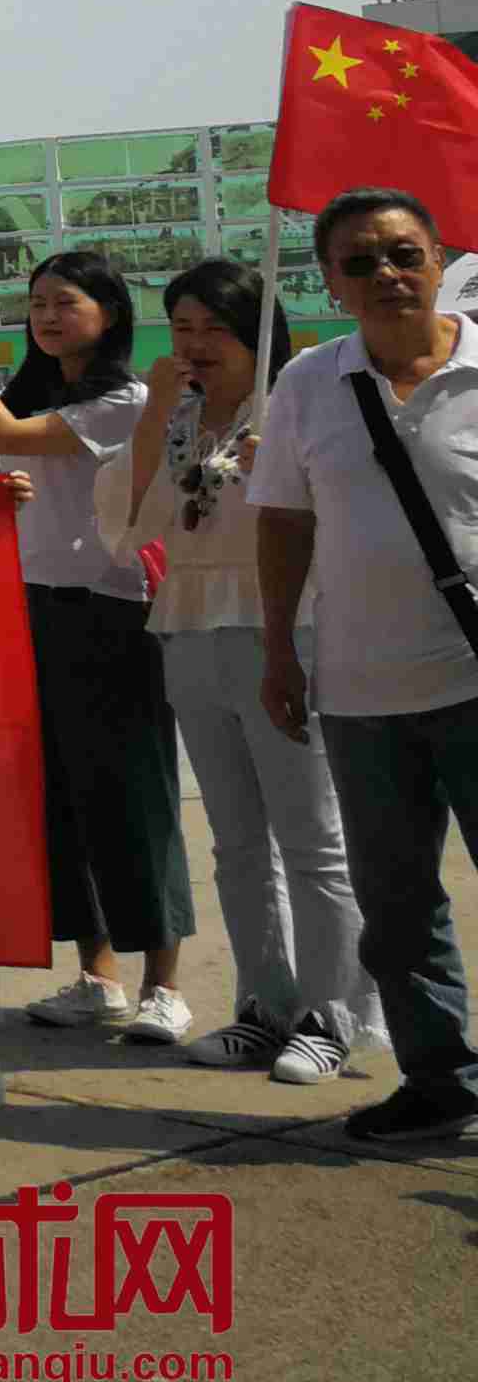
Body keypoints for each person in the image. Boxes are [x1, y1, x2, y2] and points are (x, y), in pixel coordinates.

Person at [252, 189, 478, 1150]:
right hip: (360, 693)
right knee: (394, 909)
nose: (385, 274)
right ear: (331, 284)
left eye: (402, 254)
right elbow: (284, 520)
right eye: (359, 262)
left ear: (437, 259)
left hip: (477, 682)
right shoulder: (310, 383)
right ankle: (443, 1083)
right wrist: (278, 650)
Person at [127, 258, 376, 1081]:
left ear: (256, 333)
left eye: (216, 329)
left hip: (285, 629)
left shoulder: (297, 407)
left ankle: (331, 1015)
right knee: (236, 841)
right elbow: (137, 528)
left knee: (311, 836)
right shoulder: (180, 416)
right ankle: (264, 1005)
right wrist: (155, 414)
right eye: (183, 327)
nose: (196, 346)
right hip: (190, 628)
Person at [0, 253, 184, 1040]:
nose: (45, 316)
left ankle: (163, 986)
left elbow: (1, 433)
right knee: (61, 801)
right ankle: (95, 973)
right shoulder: (39, 392)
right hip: (28, 606)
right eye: (36, 303)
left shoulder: (127, 402)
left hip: (111, 611)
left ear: (109, 312)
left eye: (64, 303)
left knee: (133, 797)